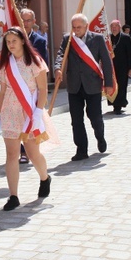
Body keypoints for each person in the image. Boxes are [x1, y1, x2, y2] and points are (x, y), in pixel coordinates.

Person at [0, 27, 53, 211]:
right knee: (12, 154)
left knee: (33, 154)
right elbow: (2, 90)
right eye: (8, 42)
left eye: (14, 41)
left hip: (29, 112)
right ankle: (13, 196)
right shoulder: (5, 64)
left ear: (22, 41)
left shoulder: (35, 61)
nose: (11, 45)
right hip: (9, 112)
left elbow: (43, 89)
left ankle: (45, 177)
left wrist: (38, 112)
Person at [54, 13, 114, 161]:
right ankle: (81, 149)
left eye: (79, 27)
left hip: (92, 84)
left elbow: (106, 62)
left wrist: (109, 83)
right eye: (74, 27)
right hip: (74, 85)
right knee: (76, 119)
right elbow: (60, 54)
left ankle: (100, 137)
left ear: (86, 26)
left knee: (95, 117)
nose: (76, 30)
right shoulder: (68, 39)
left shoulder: (97, 39)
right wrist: (57, 68)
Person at [19, 8, 48, 164]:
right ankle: (22, 152)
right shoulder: (13, 39)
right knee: (19, 119)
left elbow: (43, 65)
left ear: (34, 22)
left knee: (31, 119)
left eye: (29, 20)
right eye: (23, 20)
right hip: (17, 87)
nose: (26, 23)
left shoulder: (39, 41)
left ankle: (32, 148)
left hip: (33, 88)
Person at [108, 20, 131, 114]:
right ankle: (114, 103)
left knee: (121, 85)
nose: (114, 28)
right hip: (111, 66)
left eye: (116, 26)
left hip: (123, 66)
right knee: (111, 85)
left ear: (119, 27)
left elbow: (130, 53)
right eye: (112, 26)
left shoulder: (125, 37)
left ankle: (119, 105)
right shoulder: (108, 38)